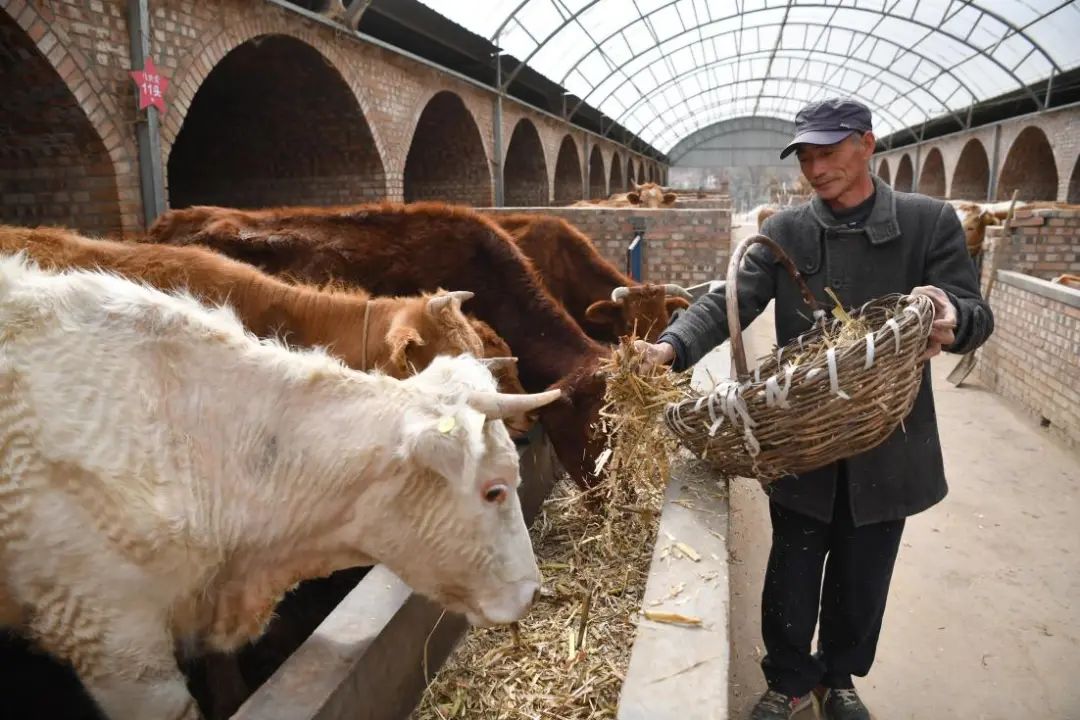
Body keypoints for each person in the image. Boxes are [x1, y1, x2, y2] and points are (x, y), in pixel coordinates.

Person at [636, 97, 994, 720]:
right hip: (802, 439)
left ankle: (840, 679)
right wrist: (670, 346)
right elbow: (730, 300)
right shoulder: (785, 232)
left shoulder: (928, 222)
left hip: (892, 439)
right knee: (793, 570)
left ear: (867, 144)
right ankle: (789, 682)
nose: (815, 167)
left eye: (828, 152)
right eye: (805, 155)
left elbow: (974, 310)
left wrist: (953, 317)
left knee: (863, 575)